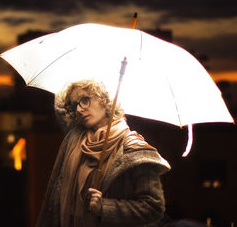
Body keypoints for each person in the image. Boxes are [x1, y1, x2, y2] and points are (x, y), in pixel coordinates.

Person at [36, 80, 171, 227]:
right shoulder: (74, 139)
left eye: (85, 100)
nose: (79, 110)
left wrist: (105, 207)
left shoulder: (133, 147)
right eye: (75, 105)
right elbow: (54, 203)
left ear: (105, 99)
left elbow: (153, 207)